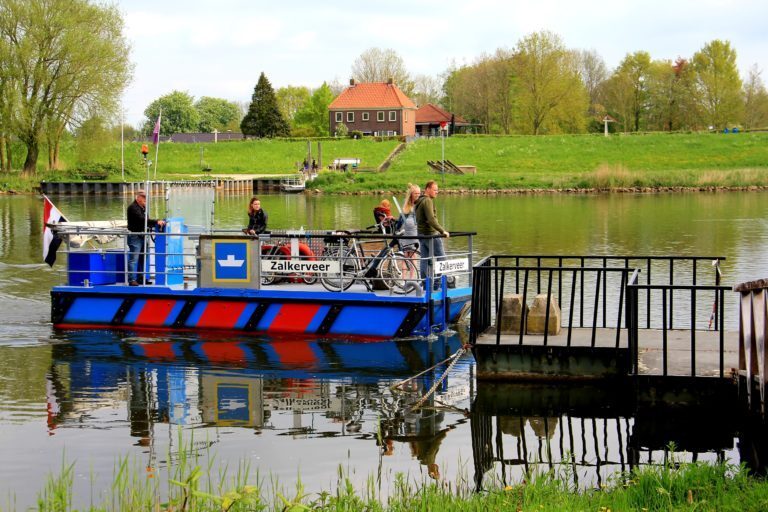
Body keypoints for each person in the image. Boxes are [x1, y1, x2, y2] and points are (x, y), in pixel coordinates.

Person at [414, 180, 449, 287]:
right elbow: (431, 219)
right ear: (428, 189)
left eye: (437, 190)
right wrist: (442, 231)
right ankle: (437, 283)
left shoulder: (419, 201)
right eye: (434, 190)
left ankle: (425, 283)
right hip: (430, 235)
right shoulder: (427, 201)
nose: (436, 192)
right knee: (442, 258)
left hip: (421, 234)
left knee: (425, 259)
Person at [127, 190, 165, 286]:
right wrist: (156, 221)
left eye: (145, 197)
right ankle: (131, 280)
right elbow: (142, 220)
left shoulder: (143, 208)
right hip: (135, 236)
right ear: (138, 197)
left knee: (143, 258)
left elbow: (146, 220)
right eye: (143, 197)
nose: (145, 199)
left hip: (144, 235)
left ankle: (141, 278)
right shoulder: (133, 208)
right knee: (134, 259)